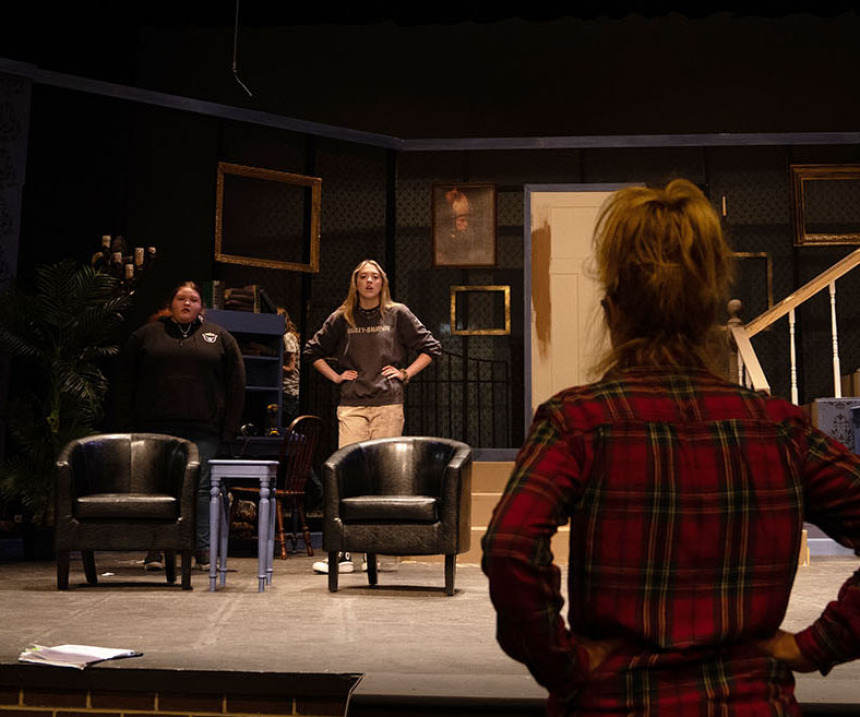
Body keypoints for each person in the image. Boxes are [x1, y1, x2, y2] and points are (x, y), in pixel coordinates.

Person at [482, 179, 860, 716]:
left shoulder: (578, 422)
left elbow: (509, 548)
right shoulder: (780, 428)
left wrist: (564, 664)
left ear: (613, 313)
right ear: (708, 319)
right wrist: (816, 644)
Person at [304, 259, 442, 574]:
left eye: (375, 277)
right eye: (363, 277)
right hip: (352, 405)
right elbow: (312, 351)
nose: (369, 282)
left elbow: (431, 347)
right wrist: (337, 376)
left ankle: (376, 549)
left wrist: (405, 373)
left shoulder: (397, 313)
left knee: (383, 474)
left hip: (387, 404)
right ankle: (344, 552)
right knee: (347, 473)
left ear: (383, 282)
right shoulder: (342, 317)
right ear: (355, 282)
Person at [116, 281, 246, 572]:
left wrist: (229, 430)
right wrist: (125, 426)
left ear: (201, 306)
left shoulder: (220, 338)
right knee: (158, 488)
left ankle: (202, 549)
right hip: (154, 427)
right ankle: (155, 549)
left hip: (205, 428)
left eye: (194, 299)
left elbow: (237, 385)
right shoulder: (146, 336)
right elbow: (124, 382)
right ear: (170, 303)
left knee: (202, 490)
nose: (187, 303)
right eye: (181, 298)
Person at [278, 307, 301, 426]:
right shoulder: (288, 336)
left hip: (289, 388)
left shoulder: (287, 337)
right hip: (288, 389)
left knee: (287, 425)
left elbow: (290, 367)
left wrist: (276, 367)